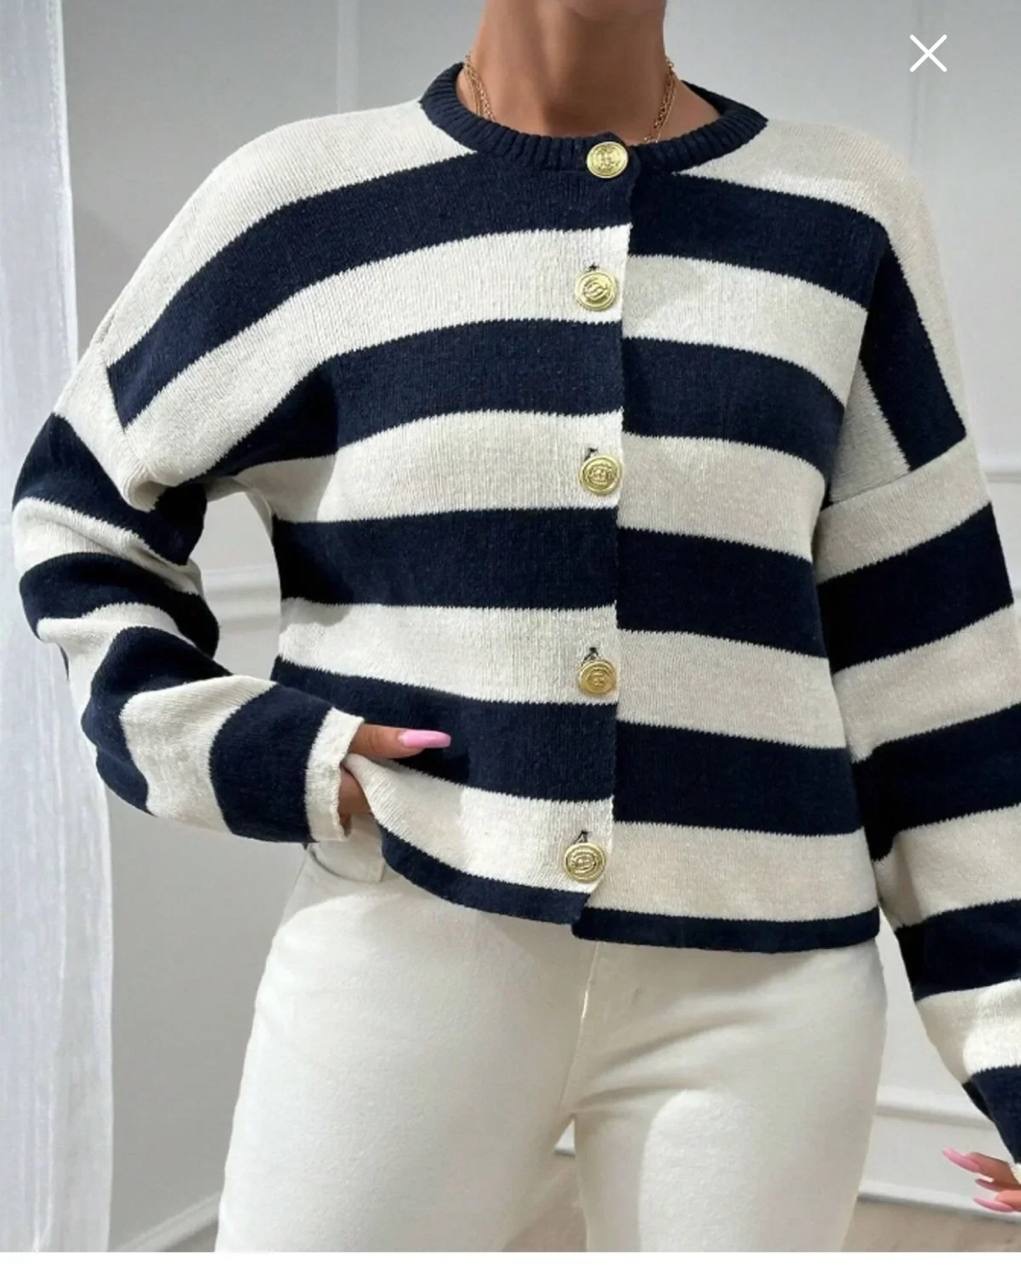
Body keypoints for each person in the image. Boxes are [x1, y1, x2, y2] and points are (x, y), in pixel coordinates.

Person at [10, 0, 1021, 1250]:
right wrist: (245, 745)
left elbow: (931, 651)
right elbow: (82, 511)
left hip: (764, 993)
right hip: (410, 931)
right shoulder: (301, 200)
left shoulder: (842, 209)